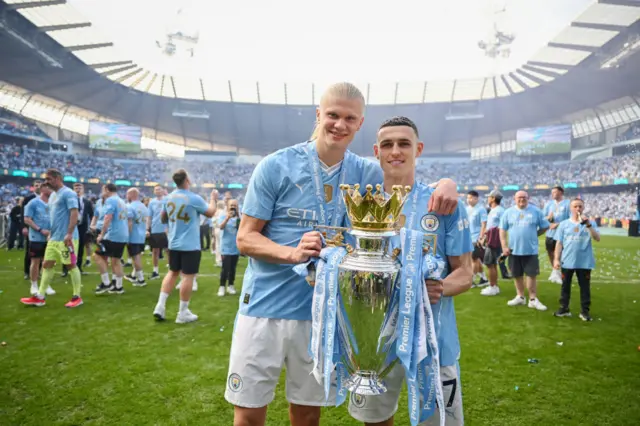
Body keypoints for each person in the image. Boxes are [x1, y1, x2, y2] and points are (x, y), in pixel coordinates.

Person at [224, 82, 459, 426]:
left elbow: (406, 176)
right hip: (263, 309)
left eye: (350, 118)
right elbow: (245, 239)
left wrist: (446, 184)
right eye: (333, 115)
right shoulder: (276, 166)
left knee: (306, 415)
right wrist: (292, 254)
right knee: (247, 414)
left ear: (360, 124)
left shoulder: (366, 173)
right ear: (319, 114)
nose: (340, 124)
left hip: (323, 315)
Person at [347, 116, 473, 426]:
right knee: (375, 422)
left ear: (418, 149)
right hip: (375, 342)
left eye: (404, 143)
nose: (395, 151)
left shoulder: (443, 203)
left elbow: (466, 272)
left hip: (434, 341)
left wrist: (438, 287)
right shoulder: (359, 206)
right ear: (377, 151)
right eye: (387, 144)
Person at [152, 169, 218, 324]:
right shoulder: (193, 198)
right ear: (187, 180)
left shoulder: (168, 197)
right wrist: (213, 198)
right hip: (190, 244)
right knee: (188, 276)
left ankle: (160, 306)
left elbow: (163, 218)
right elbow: (211, 212)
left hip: (174, 242)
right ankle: (182, 312)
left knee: (172, 273)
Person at [20, 168, 83, 308]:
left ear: (57, 178)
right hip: (54, 238)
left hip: (67, 238)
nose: (46, 182)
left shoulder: (68, 193)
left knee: (71, 265)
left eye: (48, 179)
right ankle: (40, 297)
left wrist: (69, 233)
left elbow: (74, 213)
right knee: (46, 264)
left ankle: (77, 297)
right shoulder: (53, 196)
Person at [499, 190, 550, 311]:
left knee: (531, 274)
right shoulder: (508, 212)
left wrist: (535, 234)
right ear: (514, 198)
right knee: (517, 274)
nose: (521, 199)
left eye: (524, 197)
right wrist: (504, 246)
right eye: (519, 197)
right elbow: (502, 230)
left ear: (528, 198)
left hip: (530, 250)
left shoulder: (536, 211)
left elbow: (545, 226)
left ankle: (533, 299)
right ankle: (520, 296)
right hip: (513, 250)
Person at [553, 198, 600, 321]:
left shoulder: (590, 223)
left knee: (585, 287)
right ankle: (564, 308)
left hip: (584, 261)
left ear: (583, 208)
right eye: (575, 206)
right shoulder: (564, 224)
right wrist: (556, 259)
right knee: (565, 286)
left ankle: (585, 311)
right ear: (570, 208)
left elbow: (597, 238)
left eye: (580, 206)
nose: (578, 209)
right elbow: (559, 243)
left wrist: (588, 225)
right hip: (567, 261)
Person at [94, 184, 129, 295]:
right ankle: (118, 287)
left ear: (107, 190)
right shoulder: (121, 201)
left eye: (103, 190)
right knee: (116, 261)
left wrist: (102, 234)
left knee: (97, 255)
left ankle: (106, 283)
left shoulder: (111, 200)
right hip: (122, 234)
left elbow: (108, 218)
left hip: (113, 234)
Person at [23, 183, 54, 296]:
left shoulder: (53, 203)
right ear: (42, 189)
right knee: (35, 261)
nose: (51, 190)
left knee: (48, 261)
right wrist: (40, 230)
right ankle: (34, 284)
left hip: (51, 237)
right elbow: (27, 219)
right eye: (49, 187)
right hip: (37, 237)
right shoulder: (33, 203)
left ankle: (45, 284)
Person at [543, 186, 570, 284]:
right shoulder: (549, 204)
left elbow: (570, 219)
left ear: (561, 193)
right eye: (552, 192)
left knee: (561, 254)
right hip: (550, 233)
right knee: (550, 252)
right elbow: (543, 217)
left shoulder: (568, 204)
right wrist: (548, 219)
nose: (553, 194)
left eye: (555, 192)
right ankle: (555, 271)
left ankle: (561, 274)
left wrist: (558, 224)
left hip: (562, 234)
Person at [480, 190, 505, 296]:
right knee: (492, 263)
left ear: (493, 198)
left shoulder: (499, 211)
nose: (488, 198)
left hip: (495, 240)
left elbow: (503, 226)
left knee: (490, 264)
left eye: (489, 197)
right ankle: (494, 285)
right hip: (492, 239)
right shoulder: (493, 210)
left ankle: (493, 286)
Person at [124, 188, 149, 287]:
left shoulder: (129, 207)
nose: (126, 196)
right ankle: (135, 276)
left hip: (133, 235)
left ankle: (141, 280)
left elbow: (129, 223)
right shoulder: (143, 206)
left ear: (131, 195)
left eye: (127, 194)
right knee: (137, 256)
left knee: (136, 258)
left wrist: (126, 236)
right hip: (141, 235)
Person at [217, 198, 240, 297]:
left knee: (233, 268)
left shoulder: (239, 218)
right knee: (225, 268)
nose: (233, 207)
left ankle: (231, 285)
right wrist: (227, 218)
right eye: (231, 205)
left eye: (235, 205)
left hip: (235, 247)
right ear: (227, 206)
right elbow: (220, 227)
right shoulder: (223, 216)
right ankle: (222, 286)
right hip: (226, 247)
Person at [466, 190, 488, 287]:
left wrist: (481, 237)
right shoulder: (466, 209)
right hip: (469, 237)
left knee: (473, 259)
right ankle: (484, 278)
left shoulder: (481, 209)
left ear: (476, 199)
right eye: (467, 198)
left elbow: (484, 224)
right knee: (476, 259)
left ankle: (472, 280)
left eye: (470, 198)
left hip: (476, 238)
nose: (468, 200)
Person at [21, 180, 42, 279]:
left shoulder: (46, 198)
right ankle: (26, 272)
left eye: (40, 185)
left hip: (42, 228)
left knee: (42, 251)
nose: (38, 187)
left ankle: (38, 271)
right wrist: (24, 226)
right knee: (29, 250)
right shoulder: (28, 198)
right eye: (36, 185)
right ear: (33, 187)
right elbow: (23, 214)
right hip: (30, 227)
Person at [147, 185, 168, 280]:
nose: (157, 191)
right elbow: (149, 216)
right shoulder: (152, 202)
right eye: (155, 189)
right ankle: (155, 271)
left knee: (168, 251)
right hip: (155, 229)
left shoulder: (167, 200)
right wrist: (147, 229)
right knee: (155, 251)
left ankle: (171, 271)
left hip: (166, 229)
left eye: (159, 189)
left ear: (163, 190)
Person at [212, 200, 226, 264]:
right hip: (220, 229)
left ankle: (218, 260)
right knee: (222, 245)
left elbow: (213, 222)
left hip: (216, 229)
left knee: (217, 245)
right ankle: (222, 260)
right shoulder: (223, 212)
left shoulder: (215, 212)